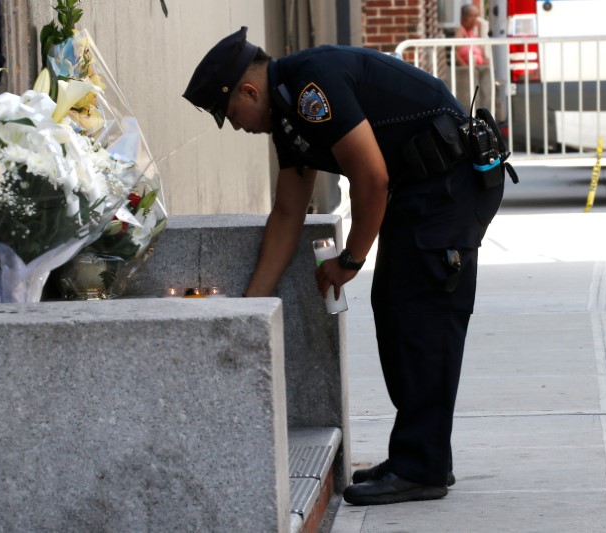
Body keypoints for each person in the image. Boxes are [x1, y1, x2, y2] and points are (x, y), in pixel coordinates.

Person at [183, 27, 506, 505]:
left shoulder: (314, 88)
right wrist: (251, 313)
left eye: (232, 114)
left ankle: (422, 466)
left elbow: (371, 178)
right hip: (422, 190)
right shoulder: (291, 112)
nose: (237, 126)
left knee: (422, 317)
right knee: (396, 310)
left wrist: (351, 260)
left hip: (450, 184)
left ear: (250, 92)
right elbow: (288, 214)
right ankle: (420, 455)